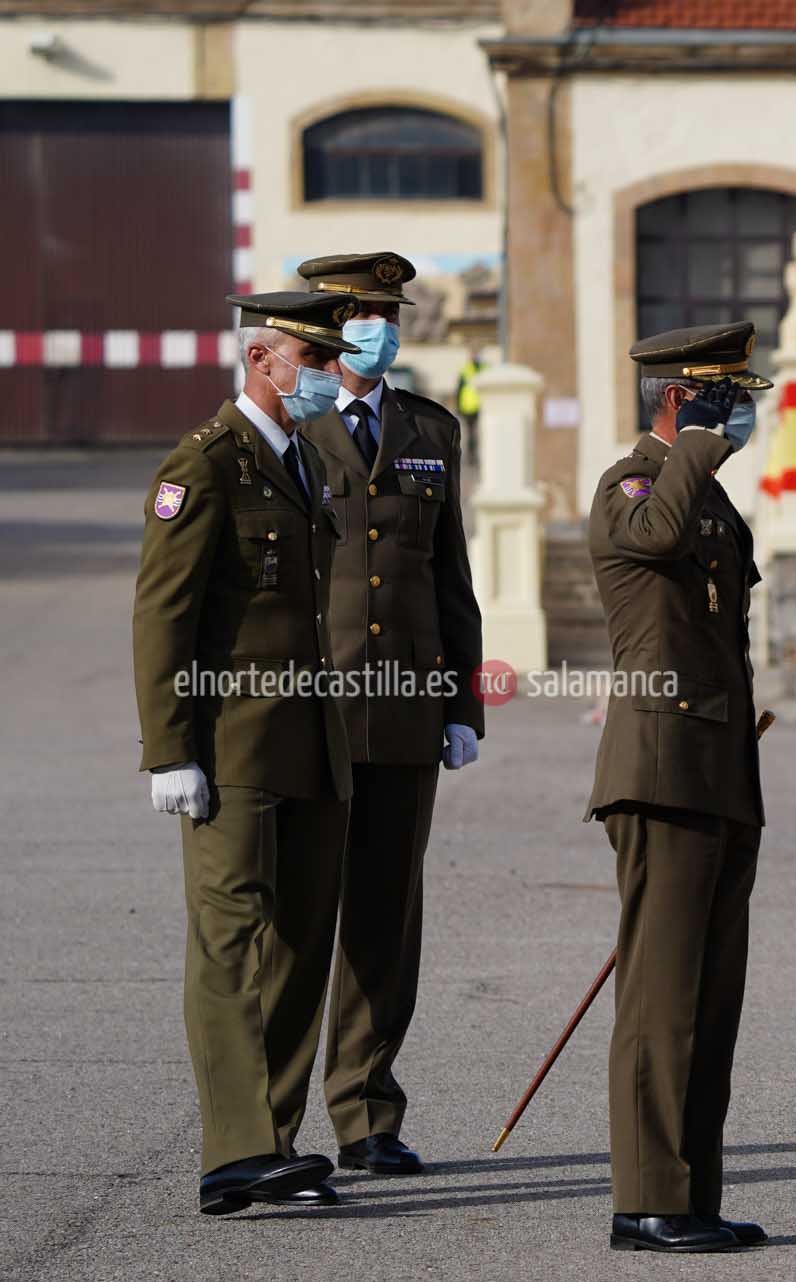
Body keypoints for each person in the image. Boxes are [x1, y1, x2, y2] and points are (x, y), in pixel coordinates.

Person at [132, 291, 359, 1215]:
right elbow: (163, 615)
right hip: (230, 739)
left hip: (311, 737)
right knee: (229, 939)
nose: (325, 373)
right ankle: (234, 1149)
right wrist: (166, 749)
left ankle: (274, 1142)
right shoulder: (203, 464)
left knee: (303, 942)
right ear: (264, 358)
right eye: (312, 357)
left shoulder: (306, 459)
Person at [585, 321, 773, 1254]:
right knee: (660, 997)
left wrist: (702, 454)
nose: (742, 416)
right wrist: (694, 443)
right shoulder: (629, 487)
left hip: (719, 771)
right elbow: (654, 537)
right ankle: (646, 1198)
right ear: (679, 400)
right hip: (661, 773)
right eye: (724, 399)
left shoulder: (708, 498)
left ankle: (692, 1192)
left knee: (709, 998)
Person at [297, 251, 486, 1178]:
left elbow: (450, 573)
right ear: (329, 326)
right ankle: (266, 1126)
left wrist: (464, 702)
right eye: (362, 313)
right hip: (312, 710)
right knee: (296, 921)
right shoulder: (289, 425)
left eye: (389, 313)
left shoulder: (428, 428)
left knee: (385, 920)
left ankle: (367, 1113)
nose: (379, 327)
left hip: (407, 711)